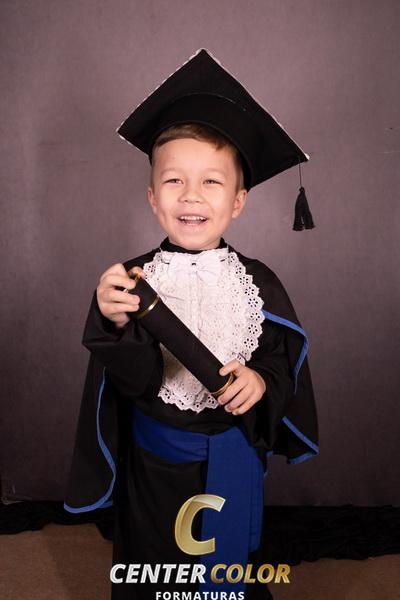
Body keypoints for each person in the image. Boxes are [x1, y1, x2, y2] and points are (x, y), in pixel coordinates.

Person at [64, 48, 319, 600]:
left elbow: (280, 363)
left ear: (239, 201)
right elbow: (134, 380)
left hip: (232, 457)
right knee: (155, 570)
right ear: (153, 198)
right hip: (155, 465)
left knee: (227, 575)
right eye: (174, 180)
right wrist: (112, 320)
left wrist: (261, 381)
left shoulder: (258, 284)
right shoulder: (133, 280)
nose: (192, 196)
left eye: (212, 182)